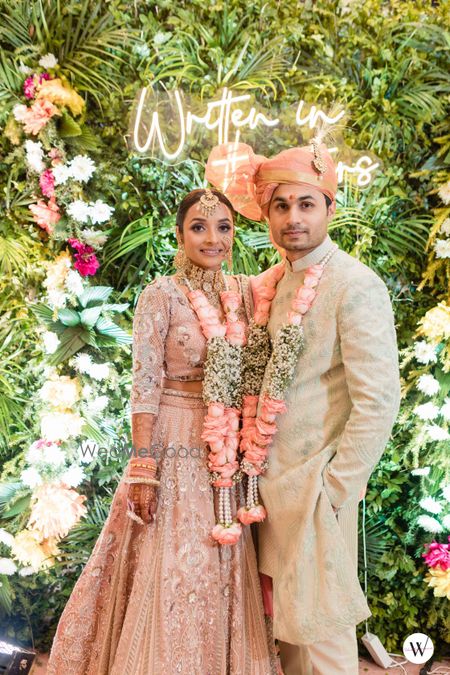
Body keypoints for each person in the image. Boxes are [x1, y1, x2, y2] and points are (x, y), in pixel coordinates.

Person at [47, 188, 279, 675]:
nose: (212, 238)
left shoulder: (244, 292)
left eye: (223, 227)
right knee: (175, 563)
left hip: (227, 452)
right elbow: (145, 383)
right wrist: (144, 465)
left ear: (235, 233)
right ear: (179, 234)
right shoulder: (161, 295)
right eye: (198, 226)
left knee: (222, 561)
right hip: (174, 444)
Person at [206, 142, 401, 675]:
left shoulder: (355, 285)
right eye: (282, 205)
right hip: (269, 492)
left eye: (307, 204)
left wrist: (337, 489)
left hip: (316, 492)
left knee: (324, 640)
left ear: (330, 208)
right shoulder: (275, 282)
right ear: (266, 213)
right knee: (289, 641)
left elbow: (379, 399)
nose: (294, 217)